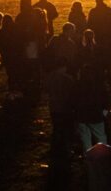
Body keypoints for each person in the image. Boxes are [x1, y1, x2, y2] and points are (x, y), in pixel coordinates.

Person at [42, 56, 76, 186]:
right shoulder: (68, 79)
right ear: (63, 67)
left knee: (56, 126)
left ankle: (56, 146)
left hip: (54, 108)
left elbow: (45, 91)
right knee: (65, 128)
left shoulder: (49, 78)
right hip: (65, 108)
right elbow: (73, 93)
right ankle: (64, 148)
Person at [75, 64, 109, 152]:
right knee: (101, 138)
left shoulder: (78, 86)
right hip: (96, 116)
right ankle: (102, 157)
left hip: (82, 116)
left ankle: (89, 160)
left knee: (86, 140)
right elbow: (105, 99)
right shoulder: (98, 85)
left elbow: (73, 100)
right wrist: (104, 112)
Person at [87, 0, 111, 73]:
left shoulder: (93, 11)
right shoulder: (110, 11)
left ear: (96, 0)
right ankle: (108, 71)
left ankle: (100, 72)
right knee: (107, 55)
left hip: (97, 38)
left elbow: (89, 25)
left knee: (98, 55)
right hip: (107, 38)